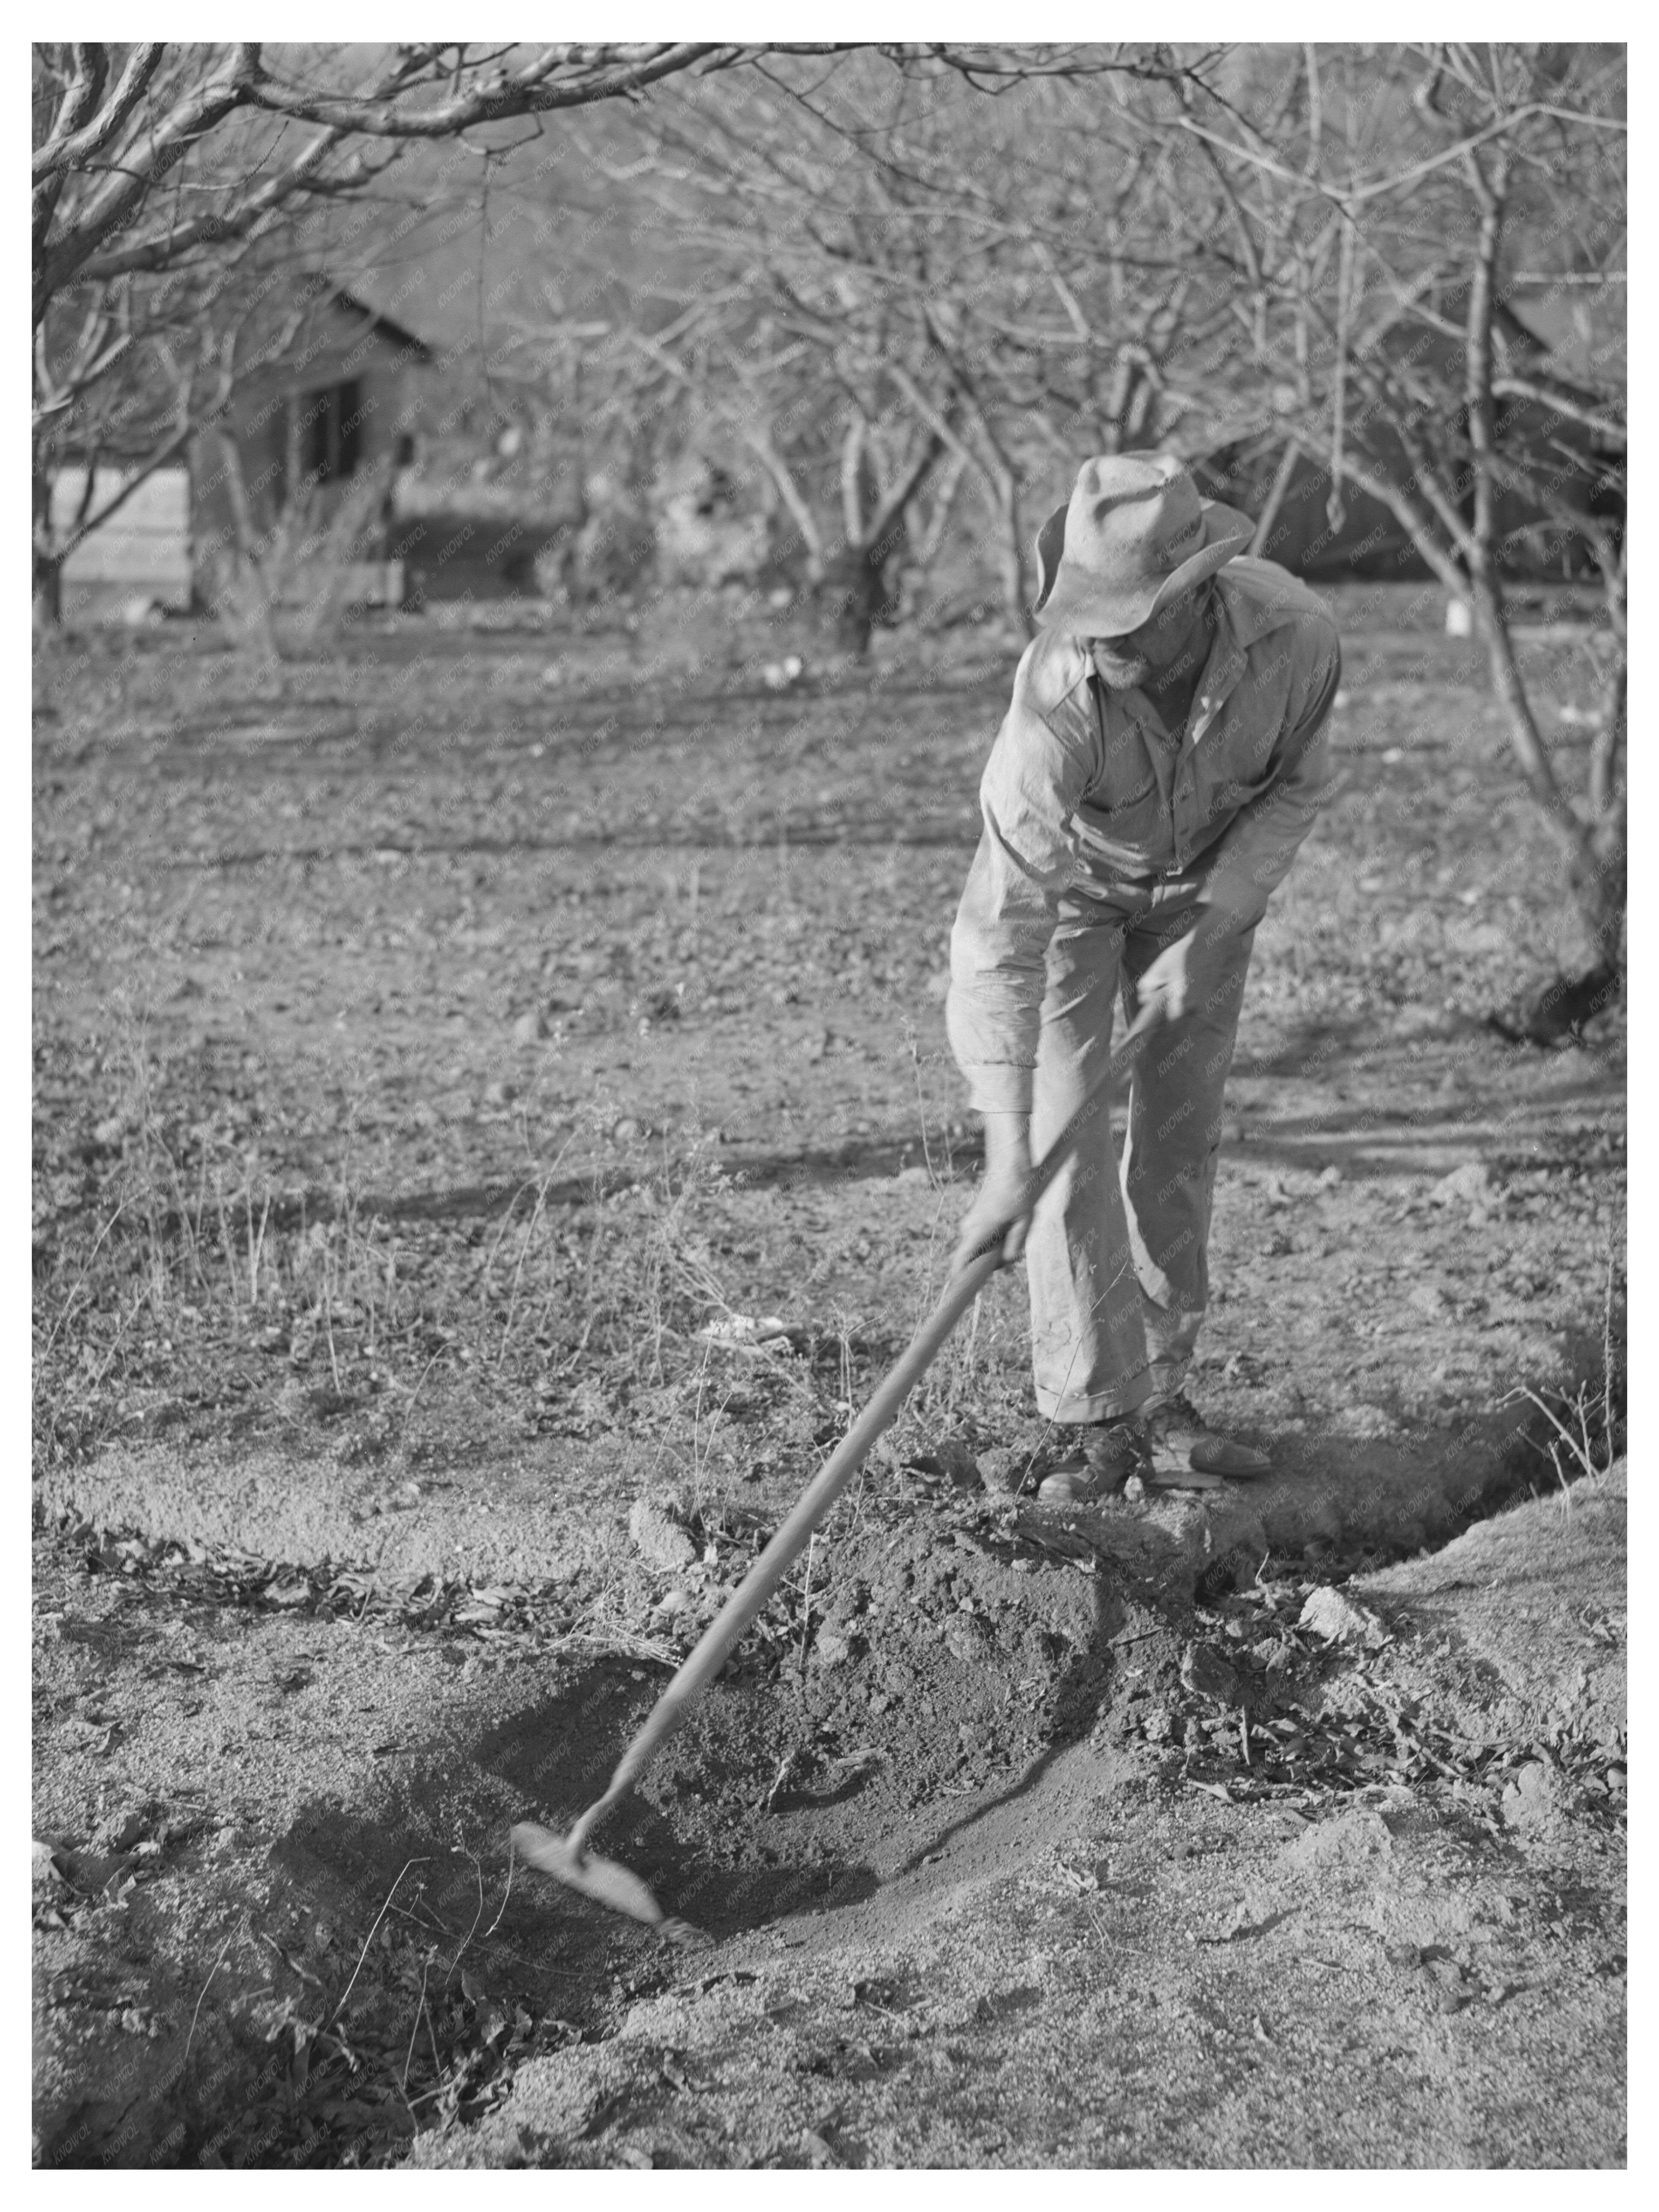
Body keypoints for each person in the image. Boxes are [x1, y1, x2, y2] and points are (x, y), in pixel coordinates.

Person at [946, 452, 1341, 1502]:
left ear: (1196, 592)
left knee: (1175, 1138)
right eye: (1089, 611)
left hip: (1205, 889)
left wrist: (1215, 925)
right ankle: (1092, 1422)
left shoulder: (1295, 640)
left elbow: (1294, 791)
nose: (1100, 635)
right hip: (1077, 891)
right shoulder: (1055, 701)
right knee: (1060, 1141)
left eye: (1128, 614)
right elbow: (1000, 926)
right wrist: (1002, 1152)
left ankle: (1160, 1399)